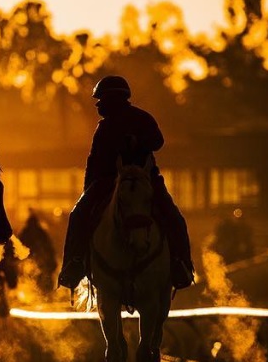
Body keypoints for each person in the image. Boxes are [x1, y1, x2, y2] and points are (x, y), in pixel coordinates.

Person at [57, 75, 195, 291]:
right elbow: (93, 162)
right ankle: (74, 264)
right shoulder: (104, 127)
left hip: (145, 179)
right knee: (77, 214)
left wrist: (137, 140)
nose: (98, 105)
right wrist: (88, 190)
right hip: (107, 183)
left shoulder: (141, 120)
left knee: (173, 216)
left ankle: (181, 265)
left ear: (113, 99)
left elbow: (158, 142)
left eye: (101, 100)